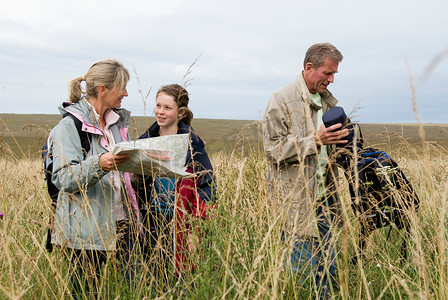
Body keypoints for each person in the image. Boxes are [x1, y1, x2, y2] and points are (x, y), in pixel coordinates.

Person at [261, 43, 349, 299]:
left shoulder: (328, 102)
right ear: (309, 68)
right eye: (327, 73)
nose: (331, 80)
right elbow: (272, 151)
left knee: (329, 275)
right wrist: (315, 141)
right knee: (302, 278)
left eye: (334, 75)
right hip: (297, 205)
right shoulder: (281, 99)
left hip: (327, 201)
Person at [51, 59, 140, 298]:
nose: (126, 93)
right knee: (85, 294)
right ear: (103, 89)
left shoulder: (117, 124)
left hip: (123, 222)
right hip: (85, 231)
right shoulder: (69, 127)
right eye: (121, 87)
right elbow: (62, 178)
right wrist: (99, 164)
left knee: (134, 290)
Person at [137, 84, 215, 278]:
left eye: (167, 108)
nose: (160, 112)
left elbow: (207, 186)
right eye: (158, 106)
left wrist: (195, 229)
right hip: (152, 221)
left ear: (180, 113)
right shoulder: (145, 140)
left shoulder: (192, 143)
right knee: (154, 279)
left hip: (182, 222)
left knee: (184, 279)